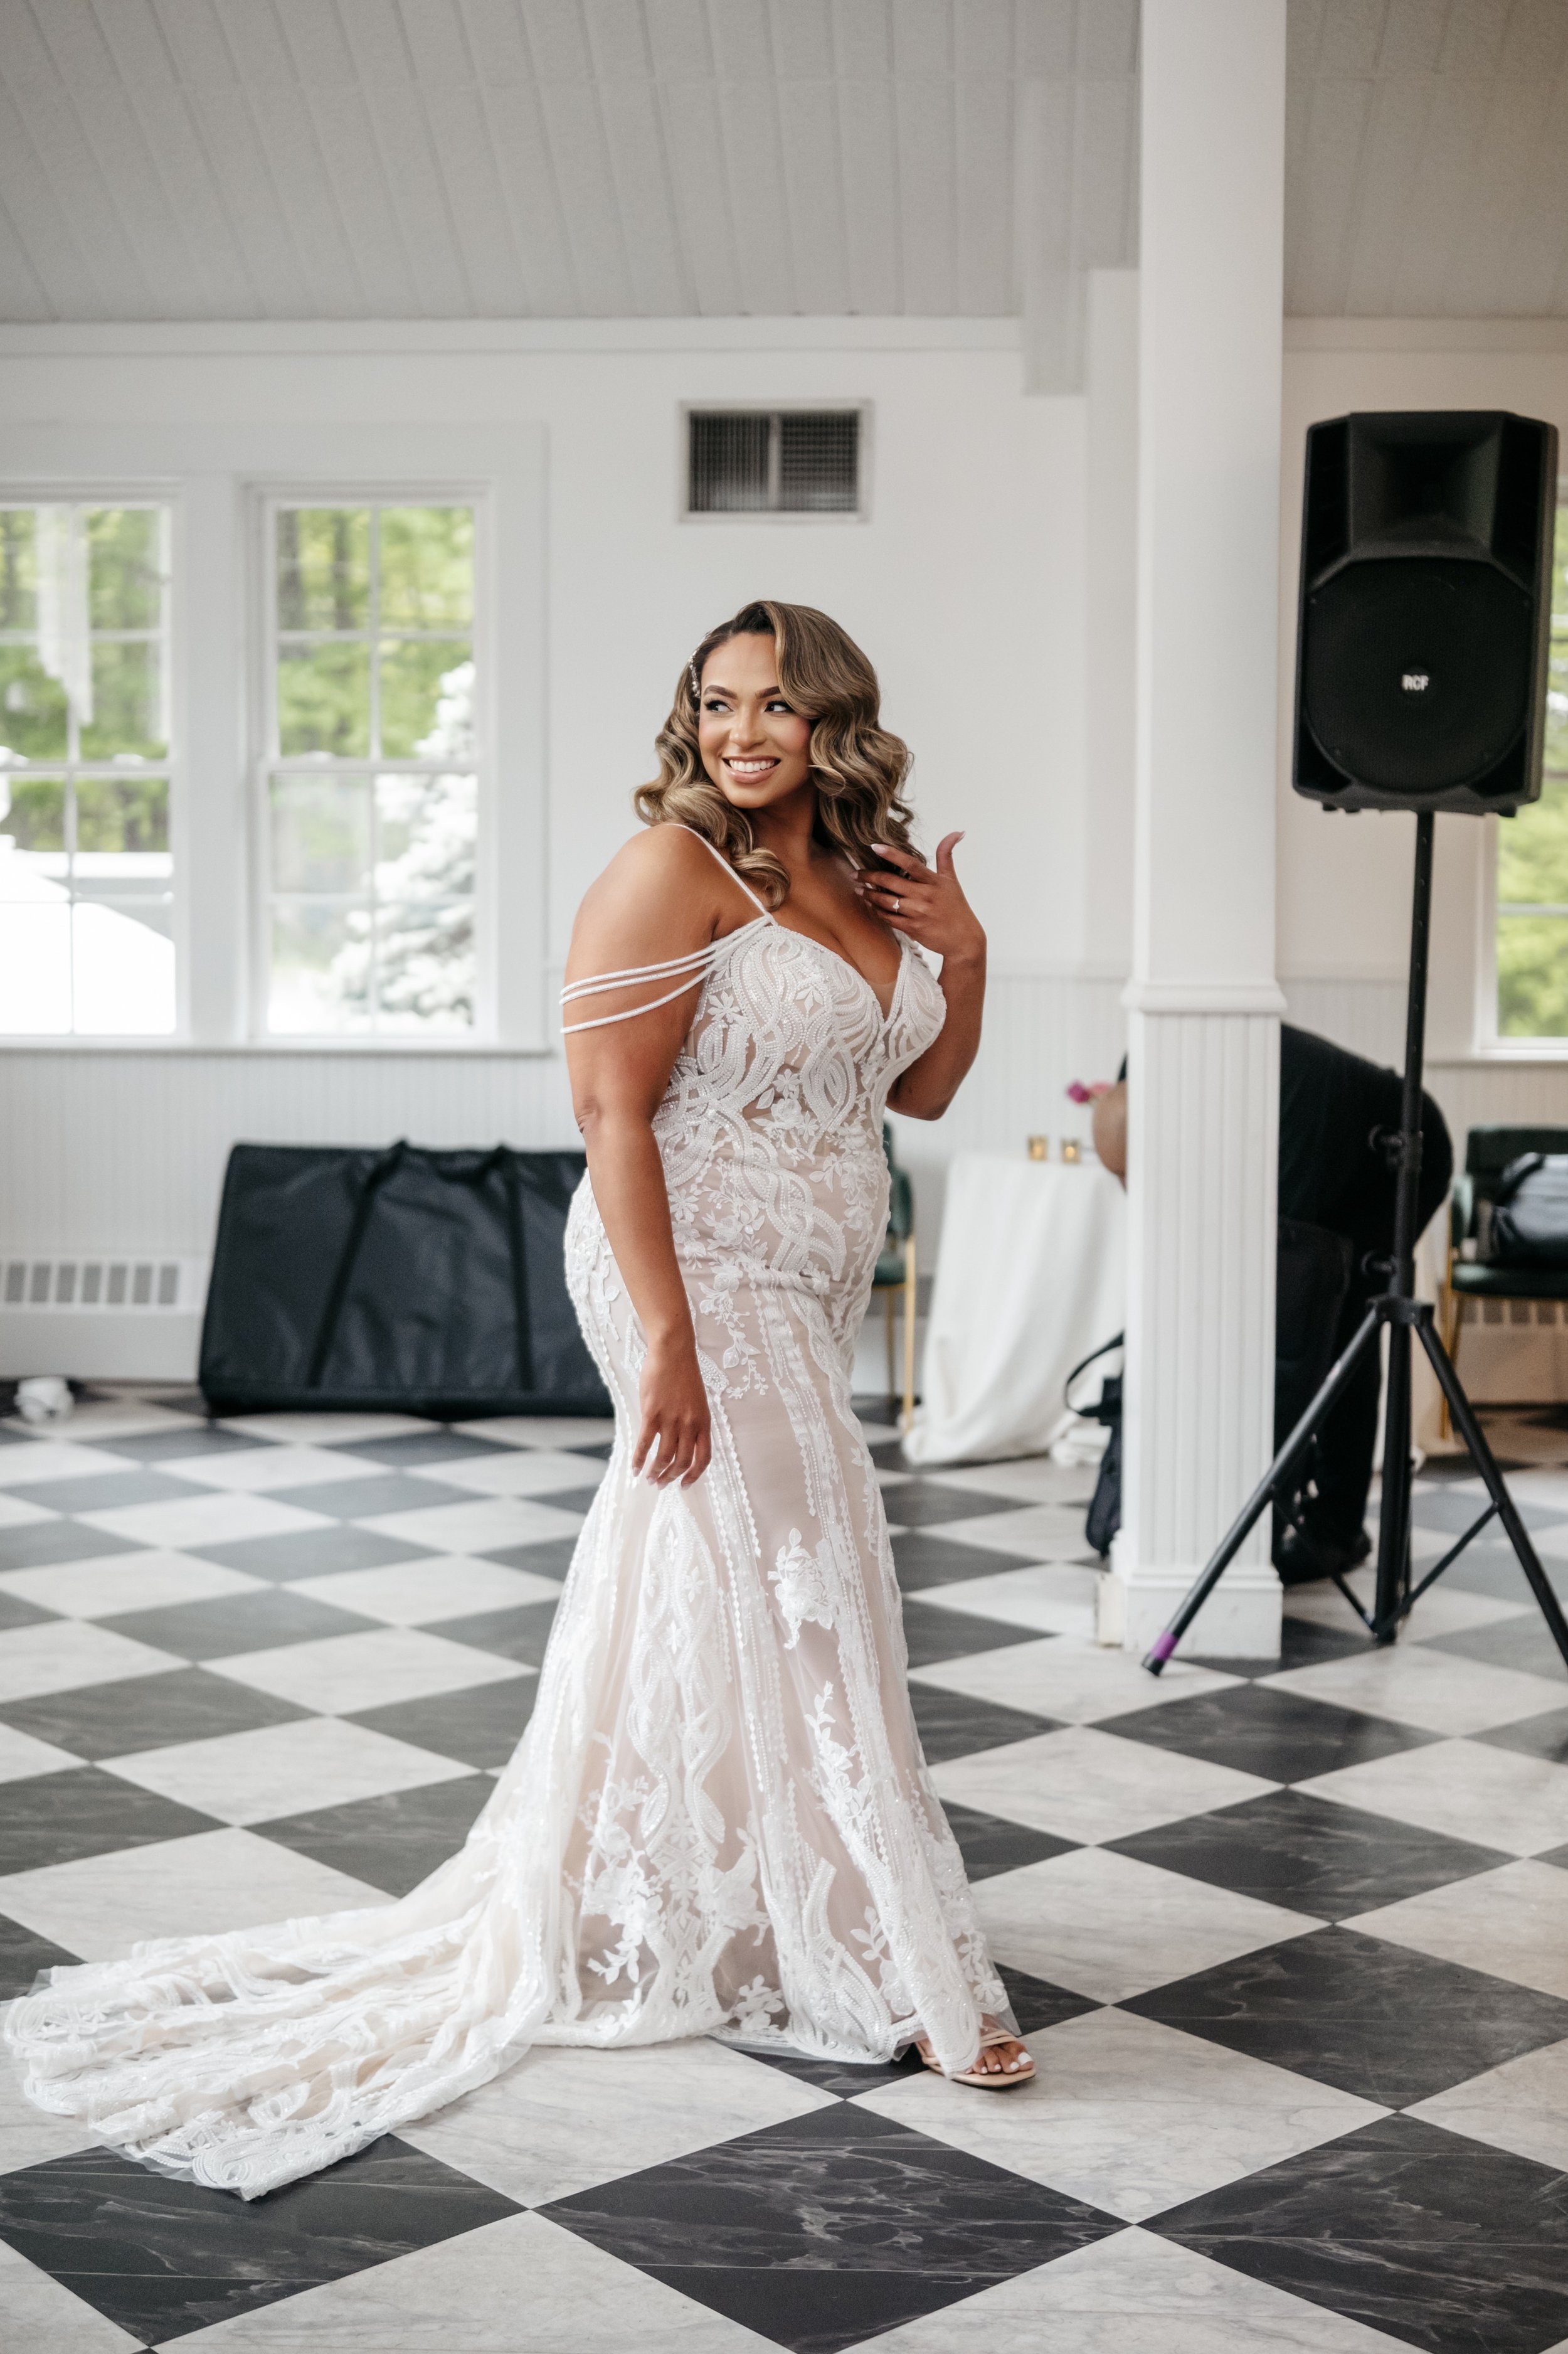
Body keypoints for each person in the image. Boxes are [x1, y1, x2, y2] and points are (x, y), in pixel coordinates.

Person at [7, 600, 1029, 2202]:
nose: (739, 732)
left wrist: (963, 951)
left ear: (833, 718)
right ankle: (905, 1970)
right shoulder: (670, 871)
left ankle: (705, 1897)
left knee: (716, 1593)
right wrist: (673, 1342)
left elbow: (925, 1085)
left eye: (771, 705)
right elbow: (608, 1116)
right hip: (688, 1266)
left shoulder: (860, 875)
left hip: (809, 1287)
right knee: (820, 1587)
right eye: (713, 702)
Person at [1093, 1026, 1453, 1584]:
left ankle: (1336, 1528)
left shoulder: (1292, 1134)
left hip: (1397, 1155)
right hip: (1327, 1141)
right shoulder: (1143, 1059)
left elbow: (1286, 1352)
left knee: (1341, 1337)